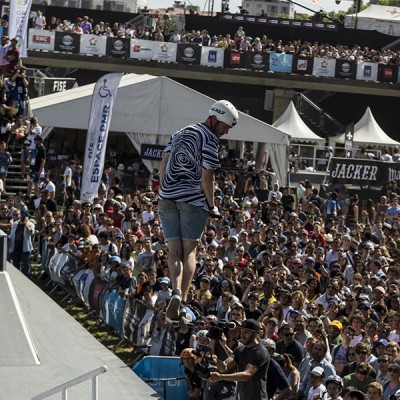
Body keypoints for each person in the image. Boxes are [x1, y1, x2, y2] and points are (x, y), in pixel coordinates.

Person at [159, 100, 239, 322]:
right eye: (224, 126)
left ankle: (175, 291)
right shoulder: (210, 139)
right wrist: (212, 205)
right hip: (192, 199)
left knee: (173, 251)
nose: (225, 132)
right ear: (214, 119)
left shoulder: (180, 132)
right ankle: (182, 301)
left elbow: (162, 165)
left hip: (166, 196)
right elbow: (208, 176)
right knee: (189, 252)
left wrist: (165, 188)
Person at [209, 319, 270, 400]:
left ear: (255, 334)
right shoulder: (240, 349)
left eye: (246, 332)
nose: (242, 334)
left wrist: (220, 377)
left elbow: (247, 375)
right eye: (242, 331)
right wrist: (215, 360)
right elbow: (224, 367)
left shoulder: (260, 352)